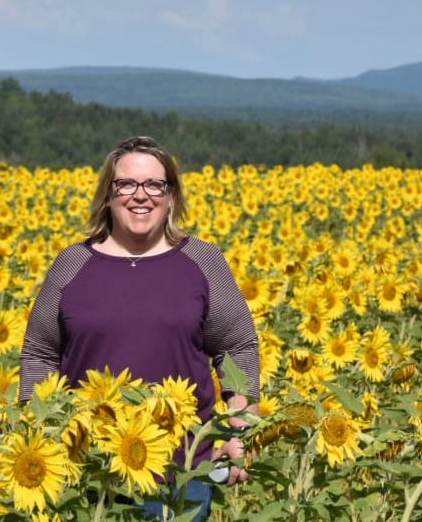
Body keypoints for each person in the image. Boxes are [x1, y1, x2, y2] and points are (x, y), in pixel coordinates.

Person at [18, 135, 260, 520]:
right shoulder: (73, 263)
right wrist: (35, 432)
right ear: (108, 195)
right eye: (126, 184)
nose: (140, 195)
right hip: (87, 470)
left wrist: (237, 429)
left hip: (180, 471)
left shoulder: (202, 260)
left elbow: (237, 347)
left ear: (171, 196)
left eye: (153, 184)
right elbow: (41, 352)